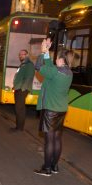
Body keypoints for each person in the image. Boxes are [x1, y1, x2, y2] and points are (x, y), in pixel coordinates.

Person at [34, 39, 73, 176]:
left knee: (49, 140)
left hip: (51, 110)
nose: (55, 59)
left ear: (62, 60)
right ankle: (55, 166)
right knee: (57, 139)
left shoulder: (55, 73)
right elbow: (50, 67)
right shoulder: (68, 72)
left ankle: (47, 168)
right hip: (61, 110)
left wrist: (43, 51)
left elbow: (38, 66)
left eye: (57, 58)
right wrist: (48, 53)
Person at [12, 49, 35, 132]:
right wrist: (15, 86)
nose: (21, 56)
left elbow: (28, 77)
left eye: (23, 54)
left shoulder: (29, 64)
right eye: (20, 54)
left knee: (20, 108)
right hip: (18, 88)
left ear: (27, 55)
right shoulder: (23, 64)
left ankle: (20, 127)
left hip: (22, 89)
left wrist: (23, 88)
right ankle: (18, 126)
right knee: (18, 108)